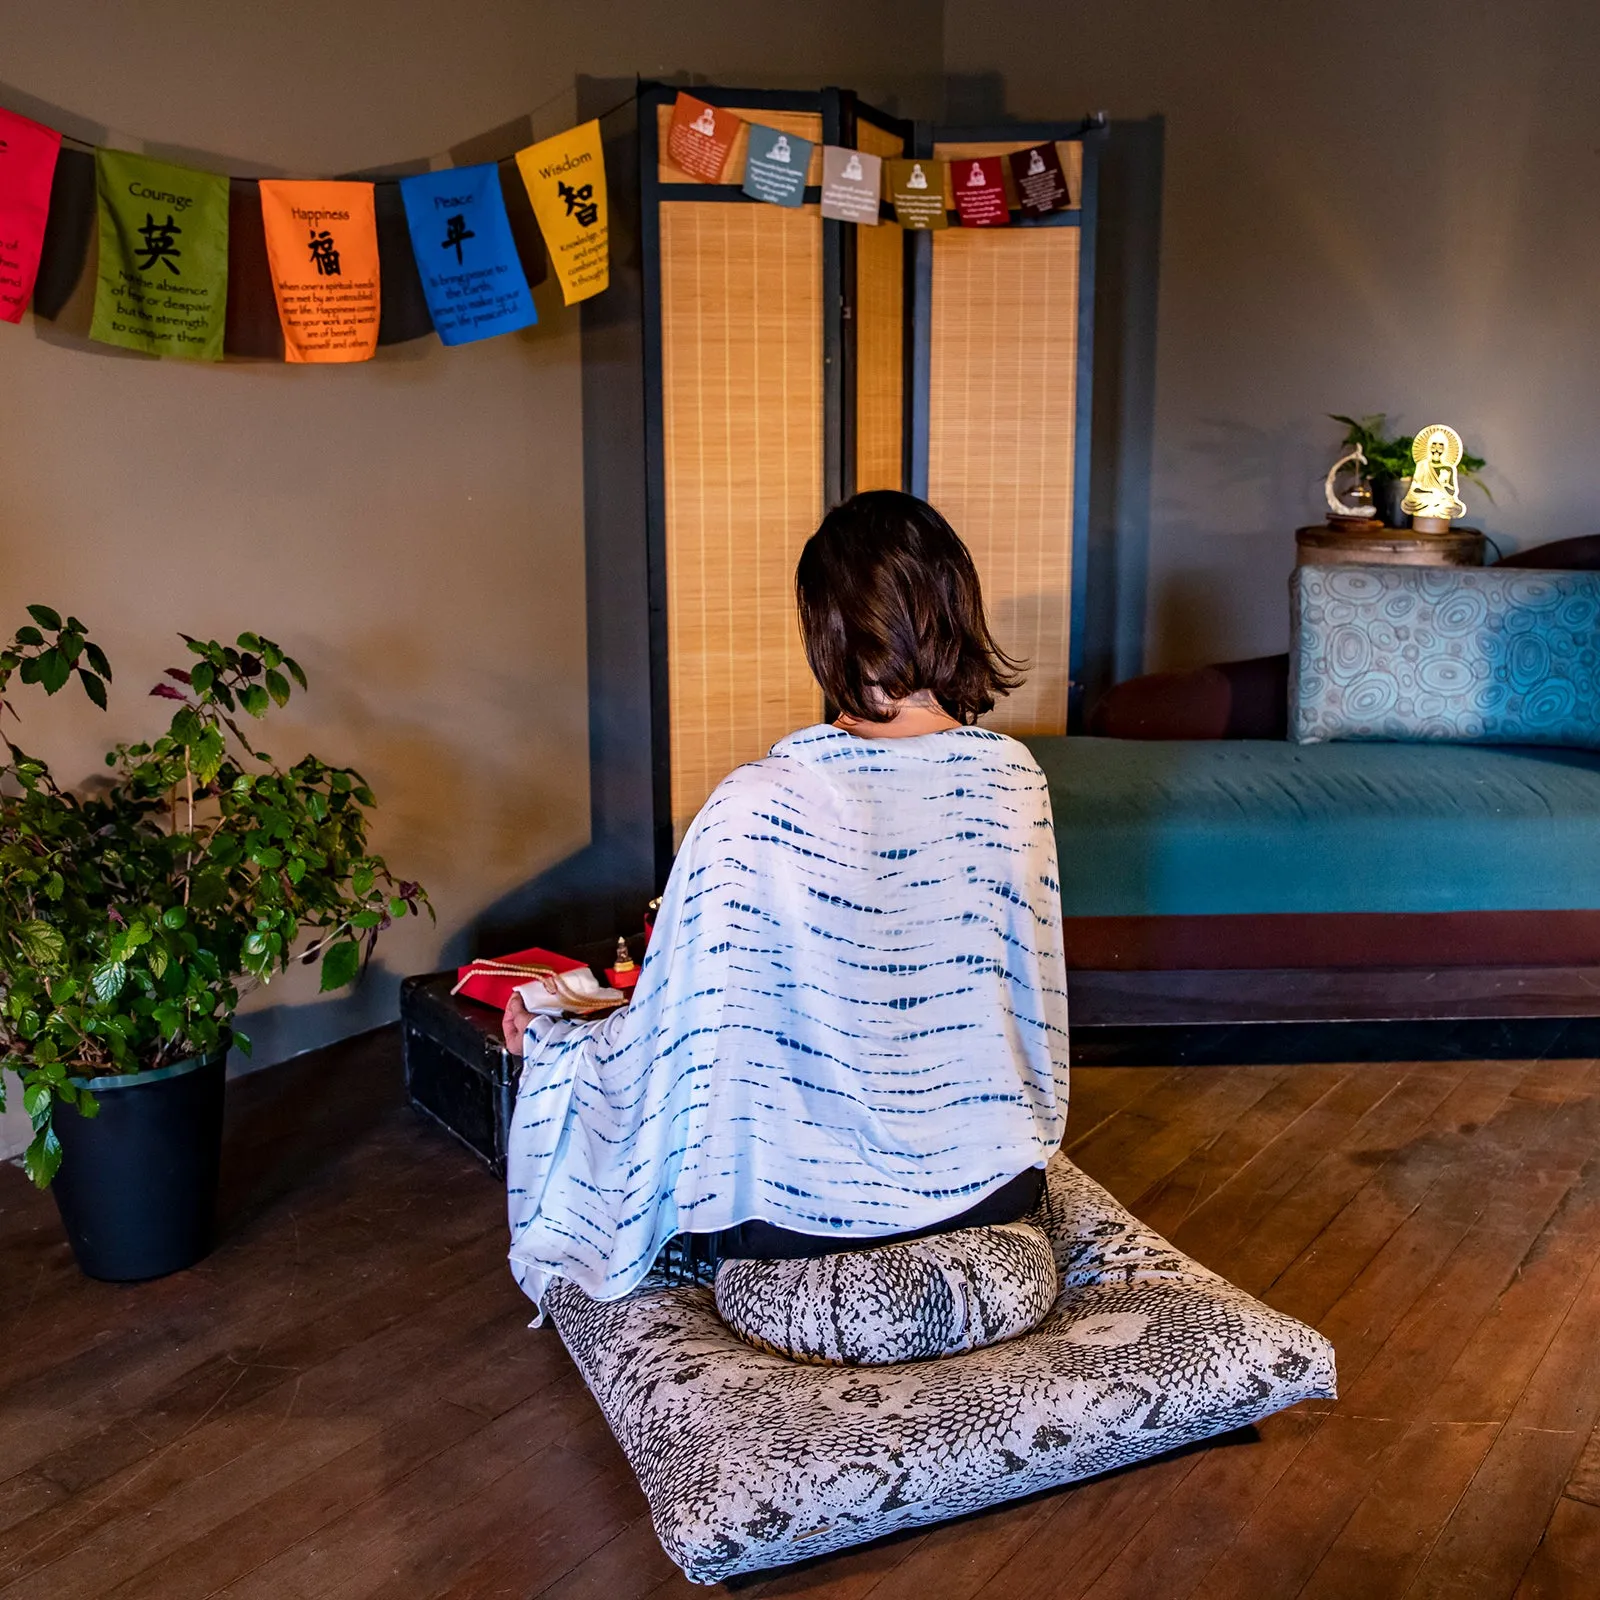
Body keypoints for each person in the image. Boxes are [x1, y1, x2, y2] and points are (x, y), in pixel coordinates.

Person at [503, 490, 1071, 1319]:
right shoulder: (1015, 783)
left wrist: (552, 1044)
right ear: (954, 609)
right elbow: (1034, 1012)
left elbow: (672, 1045)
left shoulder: (752, 807)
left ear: (826, 634)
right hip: (989, 1184)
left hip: (795, 1217)